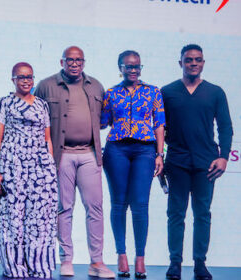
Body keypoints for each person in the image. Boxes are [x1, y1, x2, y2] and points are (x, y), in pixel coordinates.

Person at [34, 46, 115, 278]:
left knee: (96, 208)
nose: (74, 63)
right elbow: (37, 119)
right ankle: (66, 259)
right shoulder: (46, 85)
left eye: (79, 60)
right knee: (64, 208)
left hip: (90, 154)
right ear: (62, 61)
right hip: (61, 156)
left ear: (84, 62)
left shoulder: (96, 85)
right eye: (70, 59)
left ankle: (97, 262)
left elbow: (102, 120)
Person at [162, 44, 233, 280]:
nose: (193, 63)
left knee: (202, 214)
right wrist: (158, 156)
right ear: (180, 62)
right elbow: (158, 128)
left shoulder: (215, 92)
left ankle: (200, 263)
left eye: (198, 60)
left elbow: (225, 127)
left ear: (203, 63)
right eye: (189, 59)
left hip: (206, 163)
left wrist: (223, 156)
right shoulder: (167, 92)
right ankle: (175, 264)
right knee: (175, 214)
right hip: (177, 162)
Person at [101, 50, 165, 279]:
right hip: (116, 149)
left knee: (140, 204)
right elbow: (102, 122)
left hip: (144, 150)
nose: (134, 70)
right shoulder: (111, 93)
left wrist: (160, 154)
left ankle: (140, 257)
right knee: (118, 203)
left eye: (137, 66)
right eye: (129, 66)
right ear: (120, 67)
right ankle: (121, 254)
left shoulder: (153, 92)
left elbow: (159, 125)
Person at [0, 62, 58, 278]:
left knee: (40, 216)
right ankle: (15, 266)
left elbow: (47, 138)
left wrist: (50, 167)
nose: (26, 80)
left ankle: (39, 265)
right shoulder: (5, 103)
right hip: (13, 165)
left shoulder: (42, 104)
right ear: (13, 79)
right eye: (21, 77)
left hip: (39, 166)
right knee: (13, 214)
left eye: (29, 76)